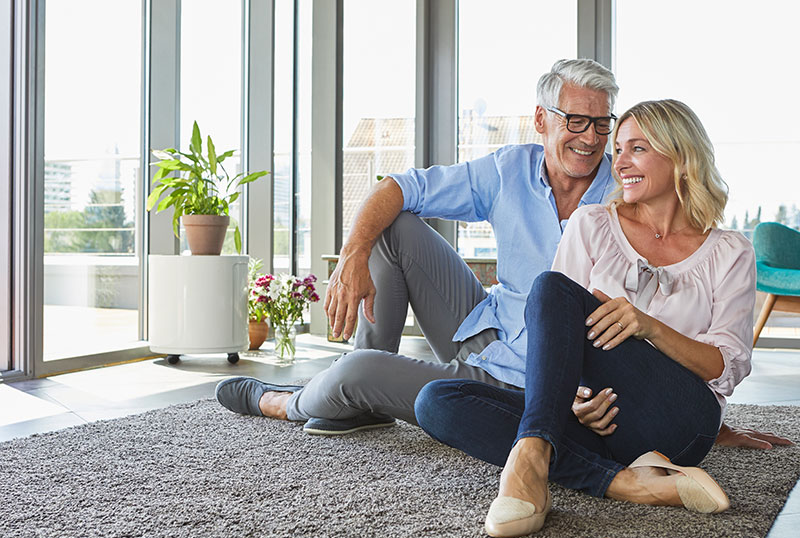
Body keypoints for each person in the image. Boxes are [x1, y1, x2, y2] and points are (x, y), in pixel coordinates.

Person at [214, 59, 789, 450]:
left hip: (544, 378)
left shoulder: (629, 191)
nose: (592, 140)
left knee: (359, 374)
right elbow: (401, 187)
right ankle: (362, 394)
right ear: (542, 120)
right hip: (488, 334)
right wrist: (352, 254)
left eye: (602, 125)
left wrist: (691, 418)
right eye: (576, 121)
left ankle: (296, 400)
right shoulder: (509, 171)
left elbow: (684, 339)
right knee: (396, 227)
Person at [415, 99, 759, 538]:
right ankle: (622, 482)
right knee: (438, 401)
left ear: (681, 156)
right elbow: (556, 330)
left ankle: (531, 461)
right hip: (594, 420)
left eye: (637, 149)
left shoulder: (730, 251)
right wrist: (575, 400)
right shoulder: (591, 223)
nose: (620, 163)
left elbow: (725, 367)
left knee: (550, 288)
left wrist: (648, 326)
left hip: (679, 422)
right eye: (619, 150)